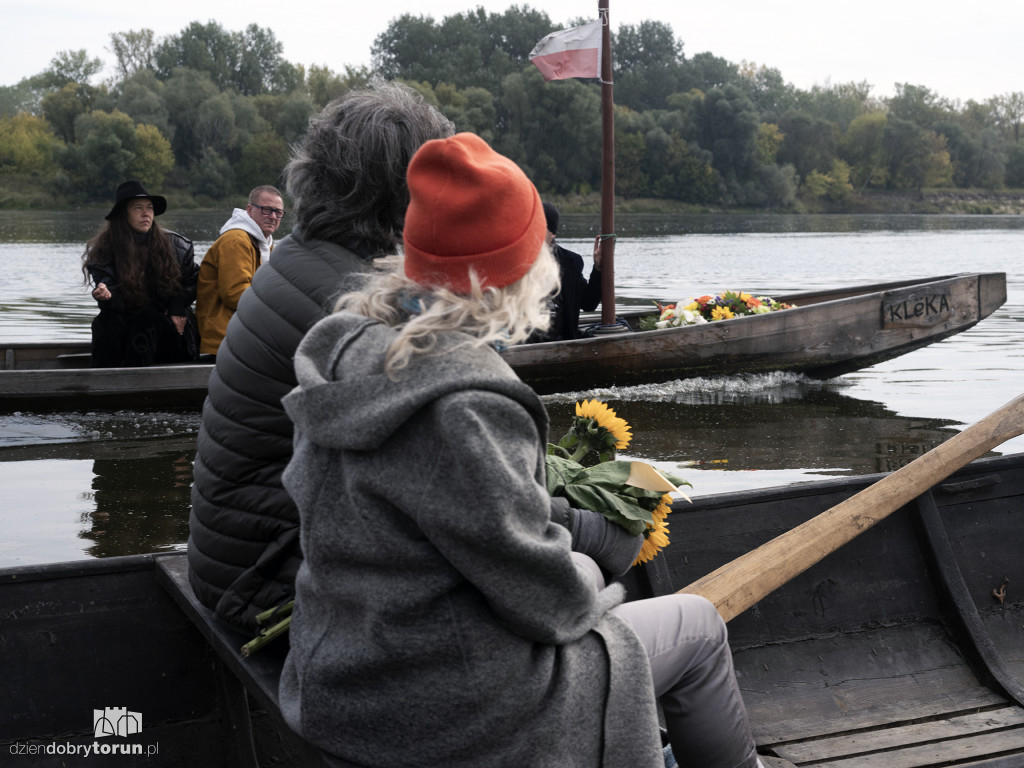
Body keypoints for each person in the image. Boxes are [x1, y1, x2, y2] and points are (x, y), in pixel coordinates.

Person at [277, 132, 761, 768]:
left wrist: (574, 536)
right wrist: (594, 568)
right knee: (696, 626)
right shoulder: (470, 405)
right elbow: (550, 605)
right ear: (516, 274)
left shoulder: (349, 358)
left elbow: (455, 527)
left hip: (343, 683)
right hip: (448, 710)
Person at [186, 80, 457, 631]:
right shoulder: (350, 303)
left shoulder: (298, 258)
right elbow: (440, 478)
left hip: (233, 558)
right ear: (402, 194)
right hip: (265, 581)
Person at [82, 180, 199, 367]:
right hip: (127, 326)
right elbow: (108, 287)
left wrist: (177, 305)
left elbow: (192, 280)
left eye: (150, 208)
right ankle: (102, 380)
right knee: (105, 321)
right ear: (123, 214)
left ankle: (135, 381)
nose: (146, 214)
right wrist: (106, 295)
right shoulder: (104, 250)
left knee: (147, 318)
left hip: (170, 331)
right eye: (138, 208)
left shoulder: (177, 246)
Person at [195, 185, 285, 356]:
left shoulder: (264, 244)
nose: (273, 216)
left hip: (244, 338)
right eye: (266, 210)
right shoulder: (237, 240)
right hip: (223, 342)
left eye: (278, 212)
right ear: (250, 210)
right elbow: (235, 293)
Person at [539, 201, 602, 340]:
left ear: (552, 233)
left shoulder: (571, 261)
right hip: (523, 345)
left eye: (538, 226)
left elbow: (588, 303)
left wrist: (598, 268)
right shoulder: (515, 262)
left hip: (563, 344)